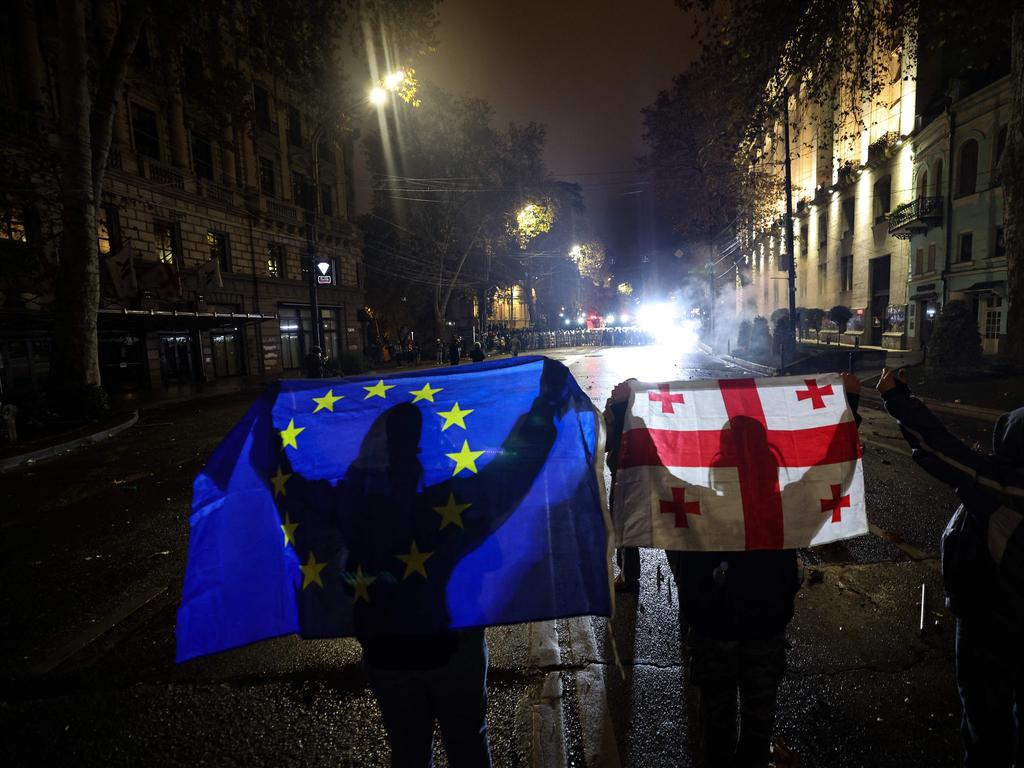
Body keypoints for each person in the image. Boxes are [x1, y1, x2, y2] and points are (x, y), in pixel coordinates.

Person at [605, 373, 863, 768]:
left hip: (712, 631)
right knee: (758, 729)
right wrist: (849, 405)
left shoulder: (699, 506)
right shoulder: (787, 508)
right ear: (767, 454)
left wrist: (625, 411)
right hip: (766, 628)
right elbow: (832, 468)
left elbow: (647, 472)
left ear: (720, 457)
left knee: (717, 727)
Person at [878, 367, 1024, 768]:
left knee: (985, 719)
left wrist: (896, 398)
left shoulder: (1002, 489)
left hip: (992, 622)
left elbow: (940, 449)